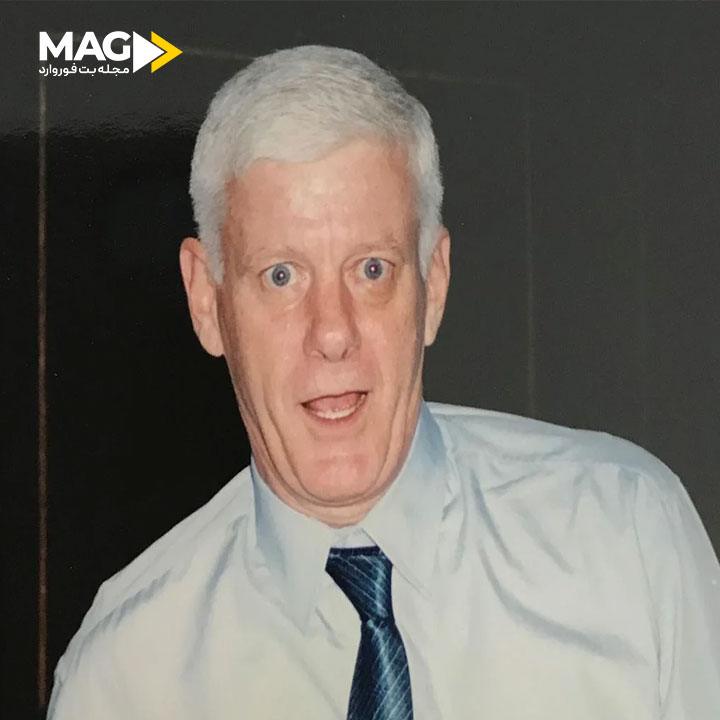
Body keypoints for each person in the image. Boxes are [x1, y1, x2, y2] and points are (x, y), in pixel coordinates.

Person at [47, 45, 720, 720]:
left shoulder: (630, 540)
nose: (332, 332)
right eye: (281, 276)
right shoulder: (123, 677)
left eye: (372, 269)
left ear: (434, 285)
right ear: (206, 300)